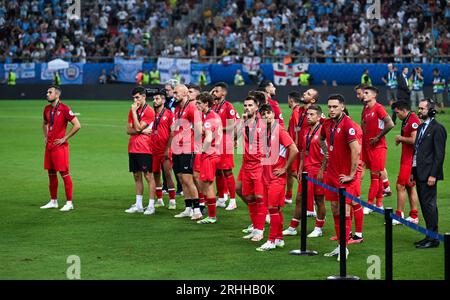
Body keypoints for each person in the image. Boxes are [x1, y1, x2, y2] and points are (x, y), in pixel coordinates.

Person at [320, 94, 362, 261]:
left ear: (342, 107)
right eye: (329, 107)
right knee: (335, 209)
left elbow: (356, 150)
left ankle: (344, 247)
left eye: (334, 107)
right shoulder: (327, 123)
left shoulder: (348, 125)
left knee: (345, 211)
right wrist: (326, 151)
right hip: (331, 173)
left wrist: (352, 174)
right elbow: (321, 139)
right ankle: (340, 245)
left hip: (345, 176)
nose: (331, 109)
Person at [256, 104, 298, 251]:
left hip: (276, 177)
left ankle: (271, 240)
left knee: (273, 209)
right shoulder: (265, 131)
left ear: (273, 114)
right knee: (275, 210)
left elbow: (294, 149)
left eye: (268, 113)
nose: (266, 116)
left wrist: (285, 168)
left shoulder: (279, 130)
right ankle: (279, 238)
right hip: (267, 176)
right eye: (263, 114)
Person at [283, 104, 326, 238]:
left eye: (312, 114)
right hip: (306, 170)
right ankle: (293, 227)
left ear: (319, 117)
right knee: (300, 198)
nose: (308, 116)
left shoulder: (322, 132)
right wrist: (300, 168)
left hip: (318, 170)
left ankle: (319, 228)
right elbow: (303, 152)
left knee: (319, 200)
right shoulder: (306, 131)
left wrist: (322, 171)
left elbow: (327, 153)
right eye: (307, 114)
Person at [413, 99, 447, 249]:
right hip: (419, 173)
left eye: (422, 109)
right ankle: (429, 235)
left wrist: (433, 175)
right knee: (425, 206)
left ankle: (433, 239)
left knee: (429, 206)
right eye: (419, 108)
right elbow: (417, 152)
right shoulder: (421, 127)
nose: (419, 111)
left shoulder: (438, 128)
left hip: (429, 175)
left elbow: (439, 155)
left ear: (431, 110)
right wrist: (412, 172)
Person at [40, 85, 81, 211]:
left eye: (50, 92)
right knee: (51, 174)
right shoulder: (46, 109)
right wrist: (46, 136)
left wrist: (65, 138)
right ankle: (53, 201)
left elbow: (77, 125)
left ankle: (69, 203)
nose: (47, 94)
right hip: (50, 147)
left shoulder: (64, 108)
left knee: (64, 174)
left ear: (57, 95)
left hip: (60, 147)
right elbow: (45, 123)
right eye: (47, 92)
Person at [236, 96, 266, 242]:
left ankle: (260, 230)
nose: (247, 107)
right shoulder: (243, 122)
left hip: (259, 166)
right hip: (247, 165)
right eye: (245, 105)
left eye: (250, 105)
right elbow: (233, 136)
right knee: (250, 197)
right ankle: (255, 228)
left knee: (259, 197)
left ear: (257, 106)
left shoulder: (264, 123)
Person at [361, 86, 395, 214]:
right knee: (378, 175)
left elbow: (390, 123)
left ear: (374, 95)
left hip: (378, 147)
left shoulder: (378, 108)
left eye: (366, 93)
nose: (364, 95)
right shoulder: (366, 108)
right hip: (368, 146)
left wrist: (378, 137)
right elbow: (363, 124)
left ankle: (369, 204)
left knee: (374, 176)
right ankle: (379, 203)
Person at [142, 89, 177, 210]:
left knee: (167, 174)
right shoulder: (152, 114)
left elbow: (173, 132)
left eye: (157, 99)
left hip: (165, 149)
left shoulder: (169, 114)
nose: (154, 101)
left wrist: (168, 148)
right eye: (154, 99)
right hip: (153, 149)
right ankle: (160, 199)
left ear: (163, 100)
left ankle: (172, 200)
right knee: (156, 174)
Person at [124, 87, 157, 215]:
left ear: (144, 96)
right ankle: (138, 205)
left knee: (148, 176)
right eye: (134, 98)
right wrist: (141, 131)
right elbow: (128, 130)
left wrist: (138, 127)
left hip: (145, 148)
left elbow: (136, 127)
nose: (135, 100)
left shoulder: (149, 111)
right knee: (136, 175)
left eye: (137, 97)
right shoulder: (132, 110)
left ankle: (151, 205)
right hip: (133, 147)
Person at [171, 84, 202, 219]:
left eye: (176, 93)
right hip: (177, 148)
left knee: (188, 180)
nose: (174, 95)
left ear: (184, 94)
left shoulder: (191, 107)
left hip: (188, 148)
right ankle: (188, 208)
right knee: (181, 179)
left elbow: (199, 129)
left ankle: (197, 210)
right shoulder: (177, 108)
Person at [195, 92, 223, 224]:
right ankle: (211, 215)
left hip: (209, 155)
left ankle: (211, 216)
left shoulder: (208, 120)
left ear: (206, 104)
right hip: (216, 153)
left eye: (199, 103)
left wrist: (203, 149)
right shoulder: (215, 116)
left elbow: (208, 137)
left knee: (208, 186)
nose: (197, 105)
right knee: (206, 184)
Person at [392, 100, 420, 225]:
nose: (397, 116)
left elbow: (415, 140)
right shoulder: (407, 119)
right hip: (407, 158)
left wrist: (401, 138)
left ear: (403, 110)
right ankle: (414, 216)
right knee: (409, 186)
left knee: (400, 186)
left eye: (397, 113)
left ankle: (399, 216)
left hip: (410, 160)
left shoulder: (412, 120)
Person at [211, 82, 238, 211]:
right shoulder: (214, 106)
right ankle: (221, 198)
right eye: (214, 91)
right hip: (215, 143)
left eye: (217, 91)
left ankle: (233, 200)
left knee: (227, 171)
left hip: (225, 142)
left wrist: (219, 128)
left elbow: (233, 125)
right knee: (217, 171)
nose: (214, 93)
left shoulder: (228, 106)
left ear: (224, 93)